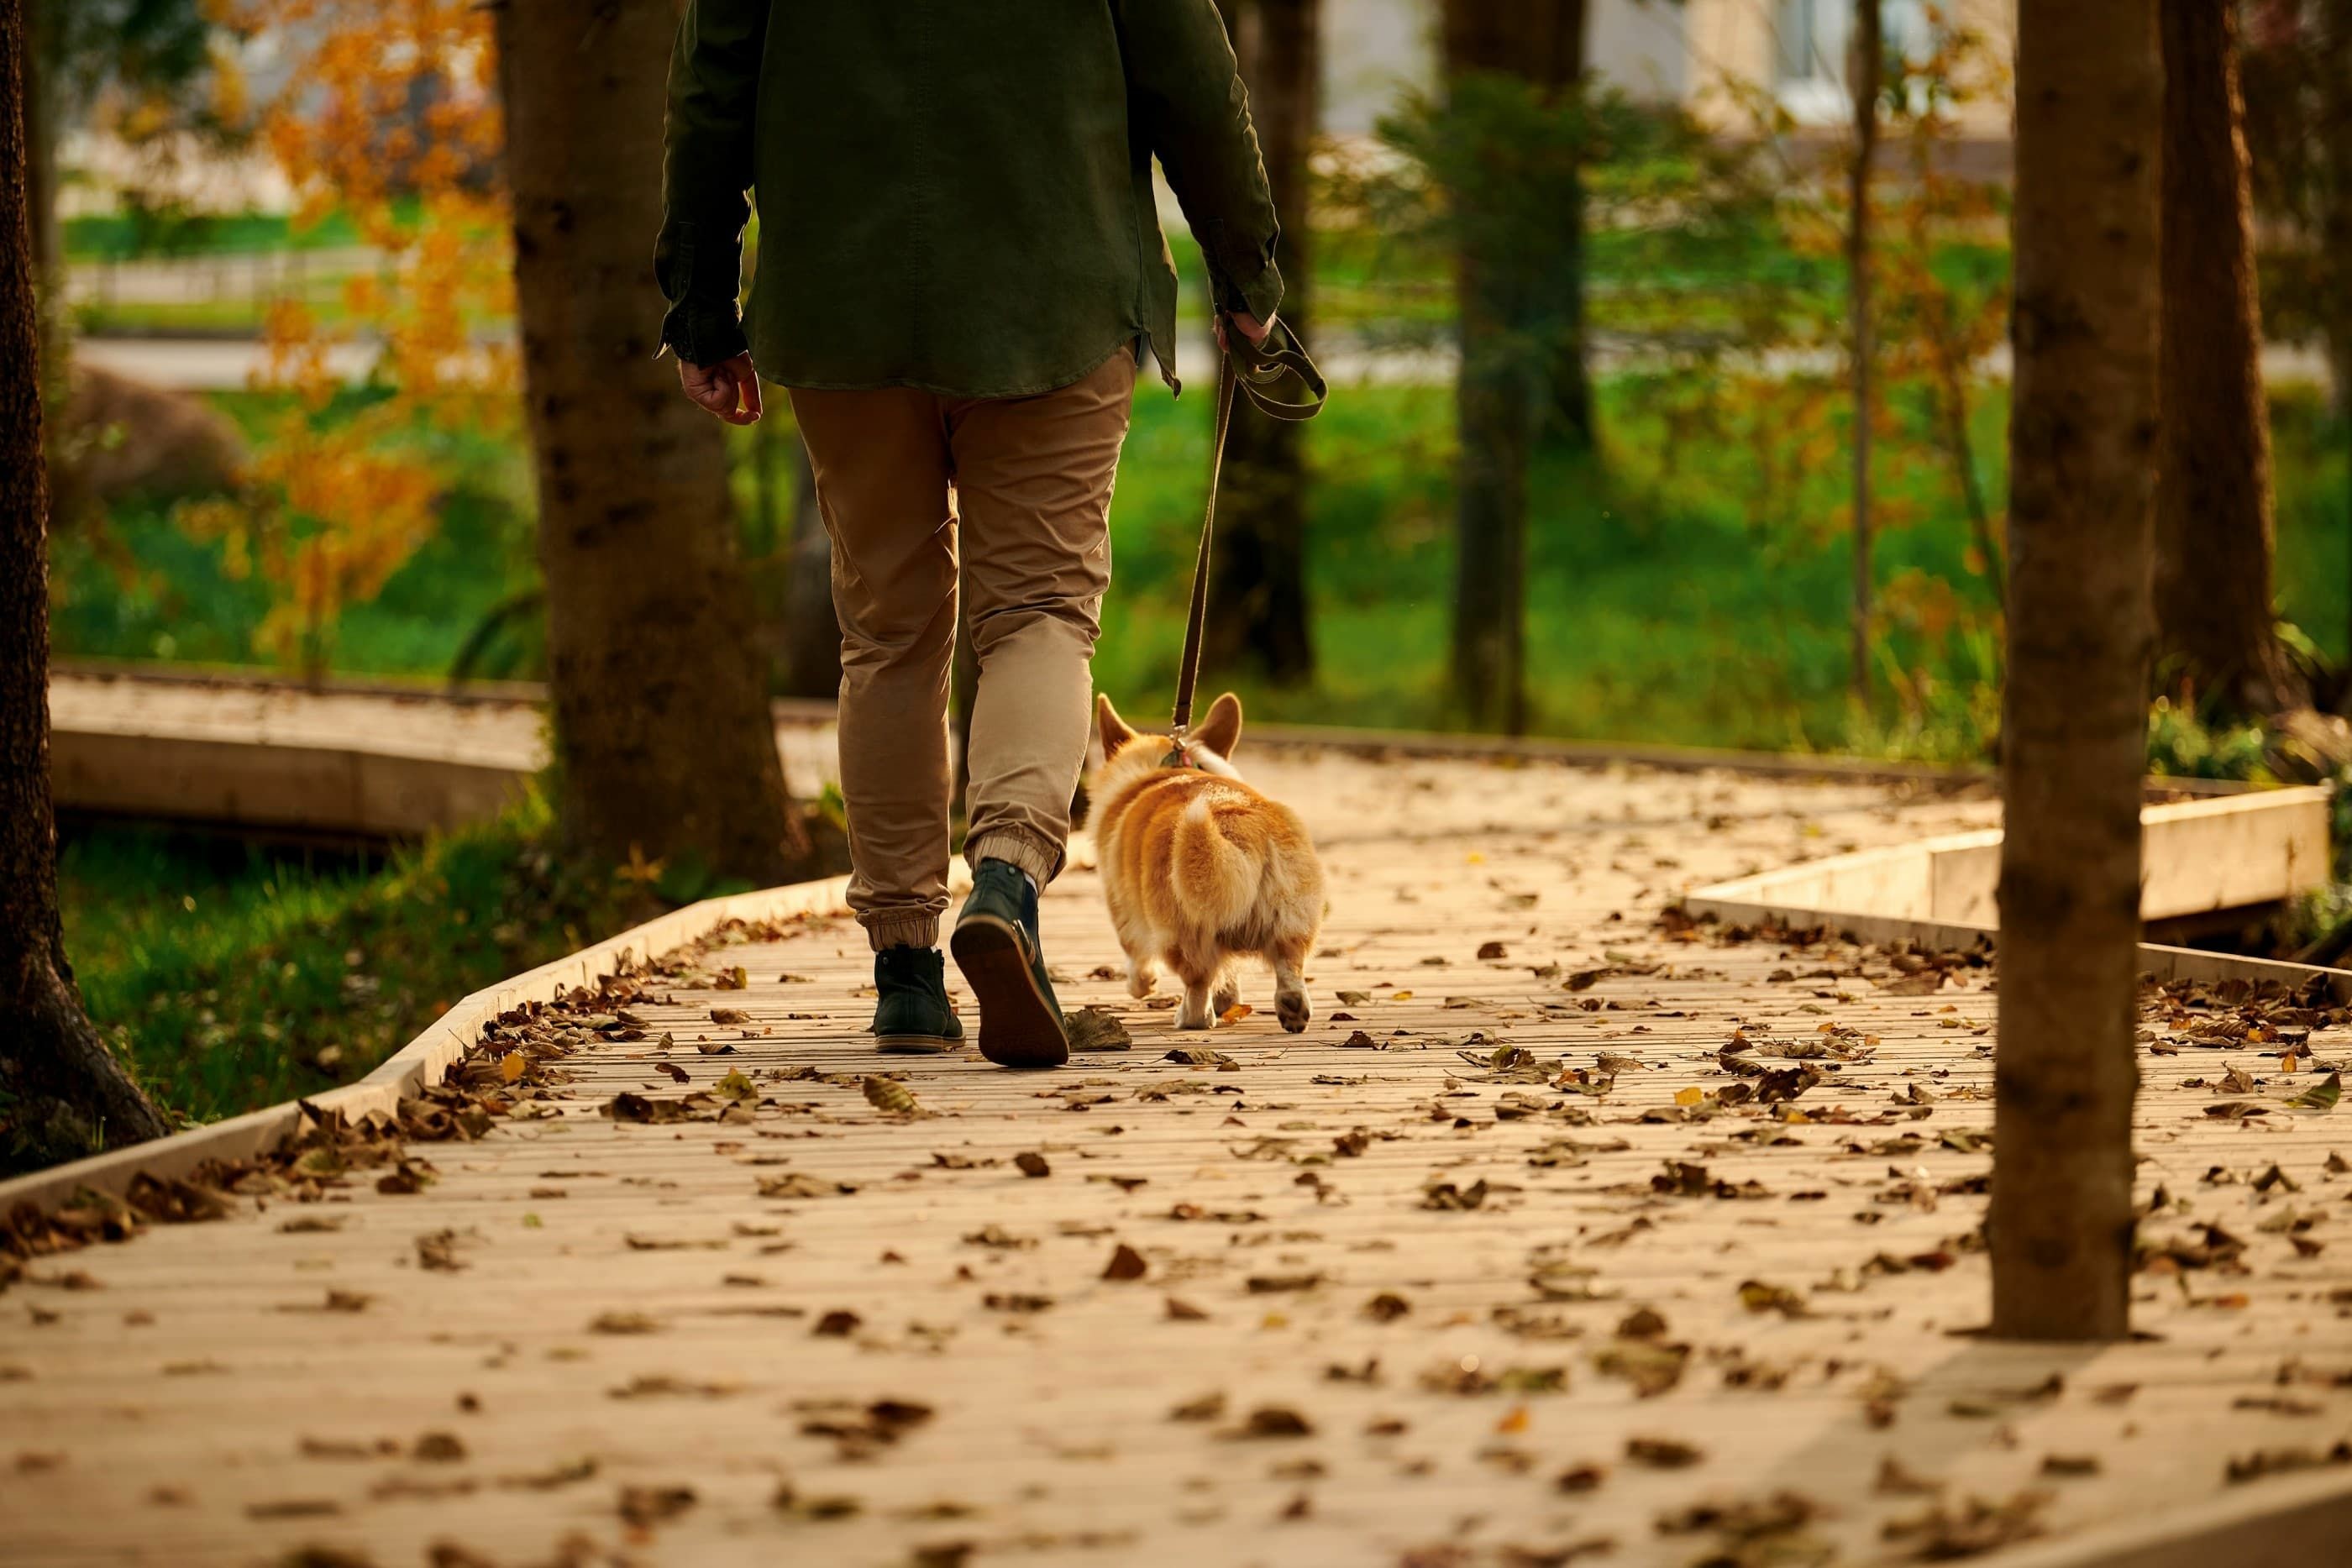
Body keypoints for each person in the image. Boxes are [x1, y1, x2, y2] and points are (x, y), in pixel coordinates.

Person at [656, 2, 1284, 1069]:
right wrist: (1246, 272)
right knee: (1038, 613)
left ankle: (905, 970)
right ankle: (1004, 884)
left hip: (844, 306)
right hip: (1056, 296)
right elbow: (1194, 81)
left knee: (888, 632)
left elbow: (710, 93)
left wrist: (701, 305)